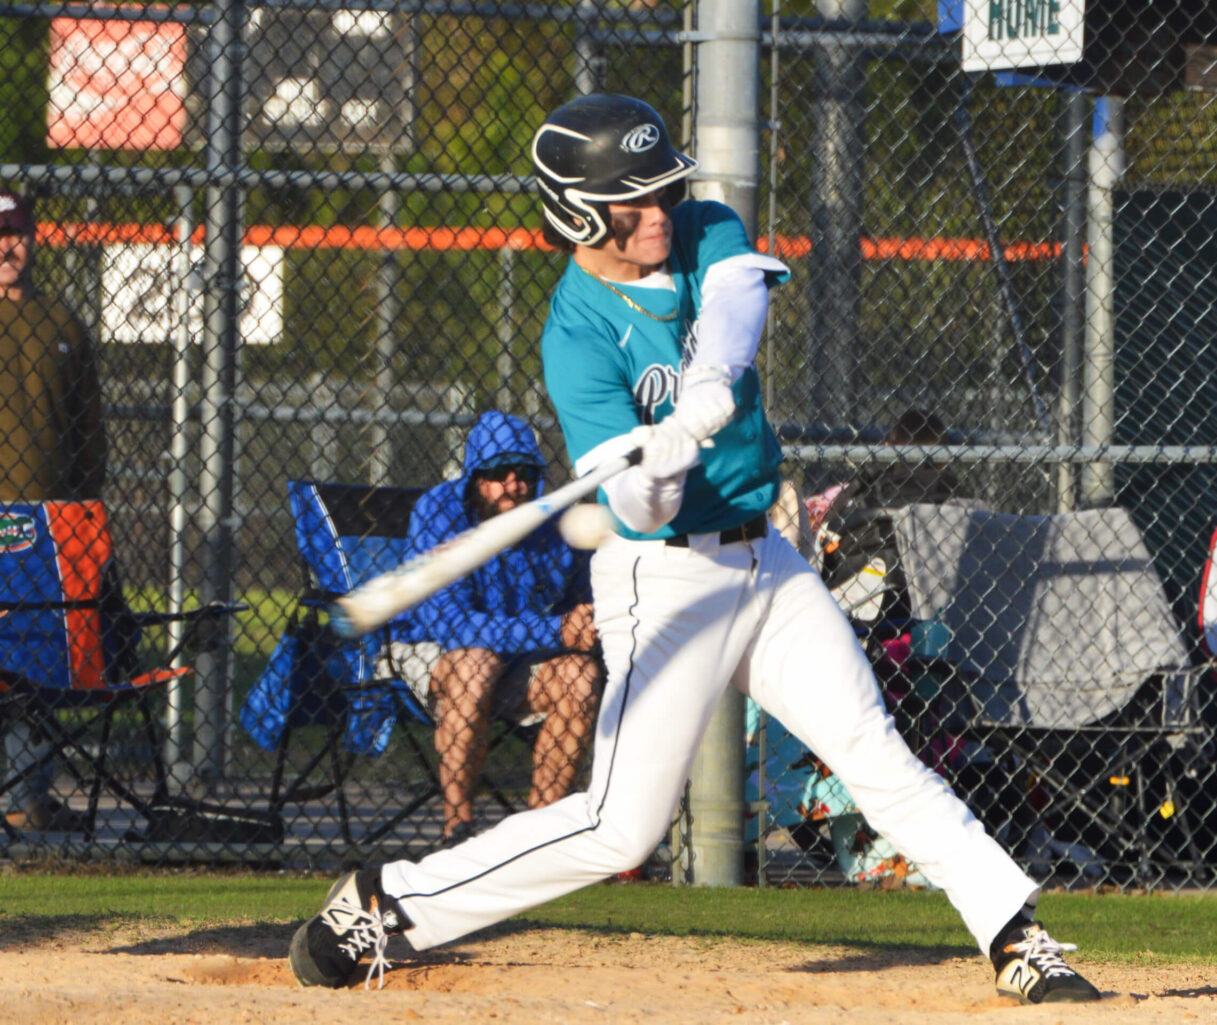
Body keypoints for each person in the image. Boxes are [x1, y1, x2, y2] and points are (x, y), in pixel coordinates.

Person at [289, 94, 1100, 1005]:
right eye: (632, 202)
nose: (656, 214)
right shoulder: (576, 334)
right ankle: (386, 901)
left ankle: (1016, 935)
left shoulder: (703, 227)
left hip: (769, 560)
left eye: (660, 192)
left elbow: (737, 297)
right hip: (664, 577)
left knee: (876, 751)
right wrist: (660, 466)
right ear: (578, 213)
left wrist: (709, 382)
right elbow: (631, 504)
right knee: (619, 828)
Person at [388, 410, 601, 842]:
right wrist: (558, 631)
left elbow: (581, 605)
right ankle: (458, 829)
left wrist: (589, 621)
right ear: (473, 477)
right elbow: (453, 627)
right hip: (432, 650)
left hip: (517, 654)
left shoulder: (550, 523)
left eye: (523, 472)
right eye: (497, 472)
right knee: (476, 666)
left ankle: (536, 837)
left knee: (581, 676)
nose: (512, 483)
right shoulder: (439, 513)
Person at [0, 188, 107, 834]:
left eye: (17, 232)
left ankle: (25, 795)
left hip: (46, 527)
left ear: (35, 238)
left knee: (38, 658)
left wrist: (86, 513)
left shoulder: (62, 323)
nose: (8, 245)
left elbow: (89, 432)